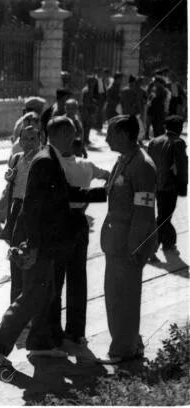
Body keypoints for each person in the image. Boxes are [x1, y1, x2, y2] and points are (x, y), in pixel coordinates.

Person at [0, 116, 106, 366]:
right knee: (33, 294)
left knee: (45, 293)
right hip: (42, 241)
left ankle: (39, 345)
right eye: (71, 135)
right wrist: (33, 245)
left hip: (49, 240)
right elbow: (32, 206)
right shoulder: (46, 161)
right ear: (59, 135)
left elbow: (64, 194)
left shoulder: (51, 159)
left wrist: (102, 193)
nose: (75, 139)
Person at [98, 114, 158, 364]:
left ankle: (123, 350)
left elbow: (144, 213)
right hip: (116, 240)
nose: (106, 138)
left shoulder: (141, 165)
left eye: (110, 133)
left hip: (129, 242)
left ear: (123, 135)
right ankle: (132, 343)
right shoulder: (124, 160)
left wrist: (136, 247)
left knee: (124, 297)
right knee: (116, 294)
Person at [50, 140, 111, 347]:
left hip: (59, 222)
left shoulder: (53, 165)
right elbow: (110, 177)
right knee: (78, 279)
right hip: (79, 221)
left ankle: (54, 331)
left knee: (55, 279)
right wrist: (95, 196)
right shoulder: (87, 165)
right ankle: (76, 331)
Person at [0, 125, 41, 302]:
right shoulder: (16, 159)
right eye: (25, 139)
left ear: (40, 140)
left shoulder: (42, 160)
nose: (29, 143)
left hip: (33, 210)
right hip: (17, 209)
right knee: (15, 256)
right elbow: (11, 188)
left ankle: (28, 304)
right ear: (20, 141)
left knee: (30, 258)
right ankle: (15, 304)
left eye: (33, 139)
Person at [0, 102, 44, 233]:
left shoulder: (27, 133)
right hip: (21, 179)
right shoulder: (22, 144)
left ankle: (0, 217)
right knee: (11, 192)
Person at [147, 115, 188, 261]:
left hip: (155, 184)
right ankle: (150, 248)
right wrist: (183, 185)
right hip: (170, 186)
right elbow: (182, 166)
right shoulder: (178, 143)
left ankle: (169, 243)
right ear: (179, 128)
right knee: (164, 217)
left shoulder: (154, 141)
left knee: (164, 214)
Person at [81, 76, 99, 145]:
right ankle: (85, 139)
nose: (94, 83)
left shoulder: (89, 89)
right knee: (86, 125)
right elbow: (85, 102)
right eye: (93, 81)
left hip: (88, 110)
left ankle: (86, 139)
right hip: (86, 110)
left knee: (87, 125)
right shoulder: (87, 90)